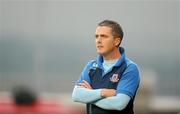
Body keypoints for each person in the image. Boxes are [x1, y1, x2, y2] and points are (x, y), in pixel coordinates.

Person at [72, 20, 140, 114]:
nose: (98, 40)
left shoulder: (129, 68)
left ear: (116, 41)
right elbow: (76, 95)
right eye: (96, 36)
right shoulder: (91, 66)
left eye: (104, 36)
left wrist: (90, 95)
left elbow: (119, 104)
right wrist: (103, 92)